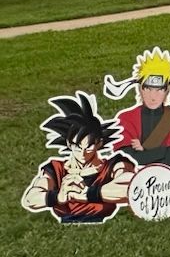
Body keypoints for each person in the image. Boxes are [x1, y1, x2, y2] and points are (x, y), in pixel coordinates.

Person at [23, 92, 134, 223]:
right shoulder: (56, 169)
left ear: (99, 143)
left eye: (88, 147)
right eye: (77, 147)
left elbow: (132, 189)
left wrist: (88, 194)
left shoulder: (114, 165)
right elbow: (30, 199)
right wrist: (58, 197)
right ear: (69, 144)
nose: (82, 153)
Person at [103, 48, 170, 166]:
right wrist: (162, 151)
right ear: (140, 89)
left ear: (168, 90)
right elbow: (125, 157)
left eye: (159, 90)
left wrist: (144, 150)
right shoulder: (125, 119)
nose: (153, 96)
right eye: (147, 89)